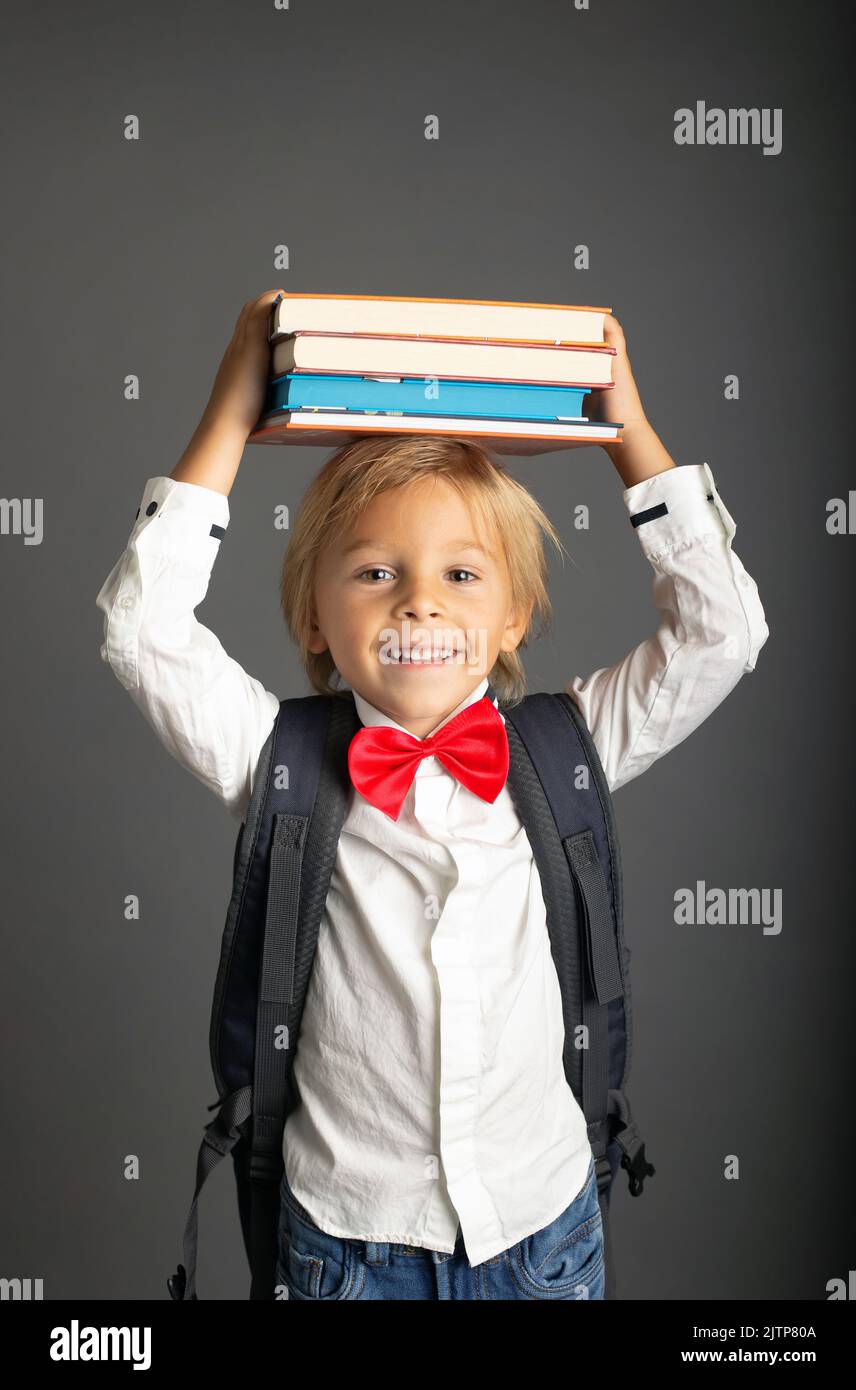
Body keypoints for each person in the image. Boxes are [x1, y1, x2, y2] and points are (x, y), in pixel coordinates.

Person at [95, 291, 769, 1299]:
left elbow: (723, 632)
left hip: (540, 1229)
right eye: (372, 571)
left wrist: (624, 427)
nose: (419, 599)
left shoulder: (567, 746)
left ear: (512, 619)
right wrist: (234, 404)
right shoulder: (274, 758)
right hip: (347, 1245)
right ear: (313, 618)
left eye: (462, 573)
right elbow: (141, 632)